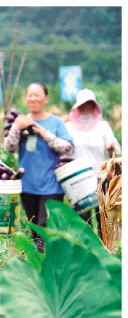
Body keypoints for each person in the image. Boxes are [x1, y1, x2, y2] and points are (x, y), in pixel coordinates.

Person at [4, 82, 74, 252]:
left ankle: (45, 263)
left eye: (37, 95)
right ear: (26, 99)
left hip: (51, 185)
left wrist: (43, 132)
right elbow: (9, 148)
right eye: (30, 95)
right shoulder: (20, 122)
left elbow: (68, 148)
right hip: (27, 185)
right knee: (35, 228)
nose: (33, 98)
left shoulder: (55, 122)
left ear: (46, 99)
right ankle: (40, 264)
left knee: (45, 227)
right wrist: (16, 128)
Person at [65, 88, 121, 227]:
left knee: (103, 216)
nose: (85, 107)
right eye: (82, 104)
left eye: (89, 104)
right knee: (83, 219)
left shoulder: (102, 126)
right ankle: (85, 248)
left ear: (94, 106)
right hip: (78, 179)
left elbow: (116, 149)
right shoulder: (69, 127)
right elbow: (63, 151)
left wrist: (111, 147)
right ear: (77, 106)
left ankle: (105, 248)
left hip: (100, 177)